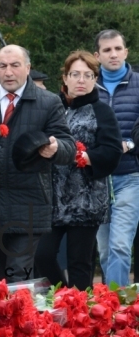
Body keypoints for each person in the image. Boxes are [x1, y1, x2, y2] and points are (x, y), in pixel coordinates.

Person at [0, 44, 75, 283]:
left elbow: (68, 147)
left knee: (18, 273)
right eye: (3, 66)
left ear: (27, 68)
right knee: (0, 276)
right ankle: (7, 319)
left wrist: (54, 148)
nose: (9, 72)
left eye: (15, 65)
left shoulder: (48, 102)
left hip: (29, 203)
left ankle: (20, 318)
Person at [34, 51, 122, 290]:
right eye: (75, 74)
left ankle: (80, 317)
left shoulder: (102, 111)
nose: (81, 80)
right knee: (42, 256)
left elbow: (112, 151)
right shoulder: (52, 108)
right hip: (52, 198)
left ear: (95, 79)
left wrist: (85, 156)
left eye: (88, 75)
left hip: (87, 199)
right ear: (65, 78)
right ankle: (65, 297)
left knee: (79, 264)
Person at [93, 29, 139, 287]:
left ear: (126, 52)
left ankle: (116, 312)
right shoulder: (87, 86)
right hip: (97, 179)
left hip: (130, 176)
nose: (113, 54)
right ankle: (111, 307)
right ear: (97, 55)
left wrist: (131, 144)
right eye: (107, 50)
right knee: (105, 251)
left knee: (121, 246)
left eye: (117, 49)